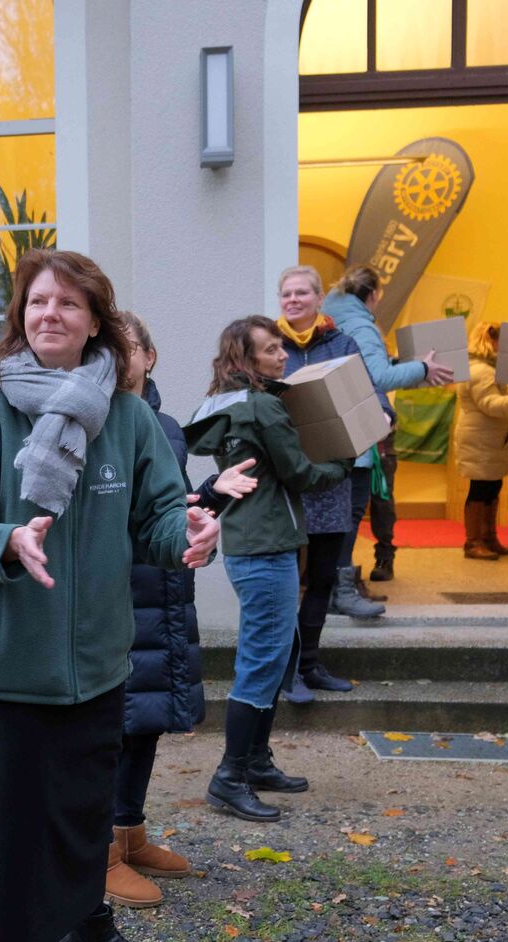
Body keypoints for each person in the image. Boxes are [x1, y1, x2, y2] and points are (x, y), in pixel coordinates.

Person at [0, 249, 222, 942]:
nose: (50, 314)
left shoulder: (127, 419)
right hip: (15, 667)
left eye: (68, 303)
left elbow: (159, 517)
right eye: (37, 302)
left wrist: (191, 536)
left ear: (95, 319)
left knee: (88, 808)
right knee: (22, 828)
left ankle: (87, 929)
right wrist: (5, 540)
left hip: (100, 660)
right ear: (20, 318)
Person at [109, 312, 254, 908]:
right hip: (122, 591)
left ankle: (130, 833)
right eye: (107, 346)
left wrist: (211, 495)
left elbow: (168, 504)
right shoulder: (96, 423)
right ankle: (102, 852)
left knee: (147, 718)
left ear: (150, 356)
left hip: (166, 588)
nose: (119, 356)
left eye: (129, 346)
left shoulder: (167, 426)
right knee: (115, 721)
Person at [188, 316, 350, 822]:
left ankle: (256, 762)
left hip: (248, 542)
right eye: (272, 348)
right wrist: (344, 462)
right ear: (246, 358)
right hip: (268, 547)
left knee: (275, 655)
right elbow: (299, 472)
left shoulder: (224, 402)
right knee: (263, 660)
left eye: (282, 346)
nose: (283, 354)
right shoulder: (263, 407)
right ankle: (230, 776)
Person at [275, 265, 384, 703]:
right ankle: (285, 670)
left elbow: (369, 394)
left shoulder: (342, 344)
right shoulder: (270, 345)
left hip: (331, 477)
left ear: (320, 299)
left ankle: (310, 664)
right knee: (286, 581)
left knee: (321, 576)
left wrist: (382, 415)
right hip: (284, 479)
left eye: (302, 292)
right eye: (287, 293)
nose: (293, 300)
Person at [323, 264, 455, 588]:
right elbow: (377, 378)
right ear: (372, 294)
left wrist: (400, 364)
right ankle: (344, 582)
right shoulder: (362, 327)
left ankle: (334, 579)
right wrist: (422, 368)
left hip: (330, 426)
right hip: (363, 427)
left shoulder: (330, 318)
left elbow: (367, 368)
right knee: (359, 507)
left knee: (337, 510)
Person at [455, 323, 508, 559]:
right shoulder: (481, 371)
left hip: (490, 439)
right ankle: (473, 542)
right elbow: (493, 406)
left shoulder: (483, 368)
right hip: (482, 439)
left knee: (492, 487)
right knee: (480, 490)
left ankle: (488, 538)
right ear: (491, 342)